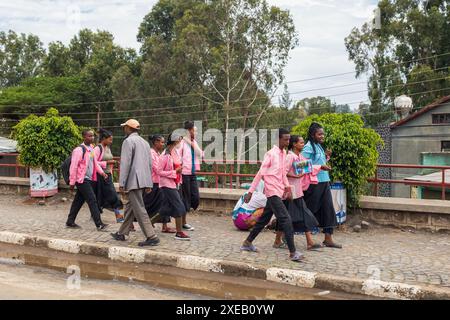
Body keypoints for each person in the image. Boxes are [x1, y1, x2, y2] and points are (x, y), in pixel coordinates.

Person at [240, 128, 304, 262]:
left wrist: (287, 188)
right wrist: (250, 192)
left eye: (288, 139)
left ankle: (247, 243)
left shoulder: (284, 153)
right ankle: (293, 253)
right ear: (278, 139)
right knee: (286, 219)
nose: (288, 141)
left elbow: (282, 174)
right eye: (285, 139)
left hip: (279, 191)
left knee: (264, 219)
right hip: (272, 192)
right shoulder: (270, 154)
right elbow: (260, 173)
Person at [110, 119, 160, 247]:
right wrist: (149, 183)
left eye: (124, 127)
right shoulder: (144, 143)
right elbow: (149, 164)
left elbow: (125, 163)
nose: (123, 129)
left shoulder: (128, 141)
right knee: (130, 207)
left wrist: (122, 182)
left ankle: (151, 236)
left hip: (134, 181)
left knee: (139, 208)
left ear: (128, 128)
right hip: (143, 180)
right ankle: (122, 233)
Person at [273, 135, 322, 251]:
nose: (303, 145)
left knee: (303, 215)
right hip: (289, 192)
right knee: (285, 217)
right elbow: (282, 172)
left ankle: (309, 241)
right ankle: (277, 240)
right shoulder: (290, 157)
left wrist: (323, 164)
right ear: (294, 144)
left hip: (298, 192)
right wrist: (295, 175)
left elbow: (309, 167)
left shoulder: (299, 156)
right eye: (301, 143)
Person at [302, 122, 342, 249]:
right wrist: (320, 166)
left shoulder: (318, 146)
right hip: (314, 184)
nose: (322, 136)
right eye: (319, 134)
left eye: (323, 134)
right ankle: (290, 234)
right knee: (309, 210)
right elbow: (301, 165)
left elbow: (318, 161)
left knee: (328, 209)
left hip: (324, 182)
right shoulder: (308, 147)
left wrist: (326, 157)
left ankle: (328, 238)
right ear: (313, 135)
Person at [66, 129, 109, 231]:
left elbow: (95, 163)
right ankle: (99, 224)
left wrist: (102, 173)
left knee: (78, 201)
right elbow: (74, 167)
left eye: (93, 136)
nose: (92, 138)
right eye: (89, 136)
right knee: (92, 200)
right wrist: (72, 182)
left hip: (89, 179)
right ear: (84, 137)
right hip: (82, 180)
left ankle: (70, 221)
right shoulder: (79, 150)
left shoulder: (92, 149)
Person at [157, 134, 191, 240]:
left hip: (175, 183)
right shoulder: (165, 155)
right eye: (179, 140)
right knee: (179, 207)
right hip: (166, 184)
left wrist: (179, 171)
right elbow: (159, 171)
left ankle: (146, 223)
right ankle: (179, 232)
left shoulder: (175, 152)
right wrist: (174, 171)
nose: (180, 142)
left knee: (165, 209)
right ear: (174, 141)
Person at [144, 134, 176, 233]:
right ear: (156, 142)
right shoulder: (151, 153)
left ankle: (164, 226)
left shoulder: (158, 153)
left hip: (160, 182)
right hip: (153, 182)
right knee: (148, 205)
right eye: (161, 142)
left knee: (164, 204)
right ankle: (134, 222)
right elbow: (157, 168)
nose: (163, 144)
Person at [94, 128, 124, 223]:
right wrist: (107, 162)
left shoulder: (108, 148)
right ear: (104, 138)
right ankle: (118, 216)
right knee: (113, 195)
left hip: (108, 175)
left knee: (101, 196)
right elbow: (94, 162)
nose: (111, 141)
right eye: (110, 139)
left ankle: (95, 214)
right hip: (101, 176)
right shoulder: (97, 149)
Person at [179, 121, 203, 231]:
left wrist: (191, 142)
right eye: (194, 130)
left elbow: (201, 154)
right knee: (185, 199)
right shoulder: (181, 143)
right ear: (189, 131)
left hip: (192, 172)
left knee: (195, 198)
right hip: (183, 173)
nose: (196, 133)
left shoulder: (193, 142)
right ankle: (183, 222)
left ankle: (183, 220)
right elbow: (177, 156)